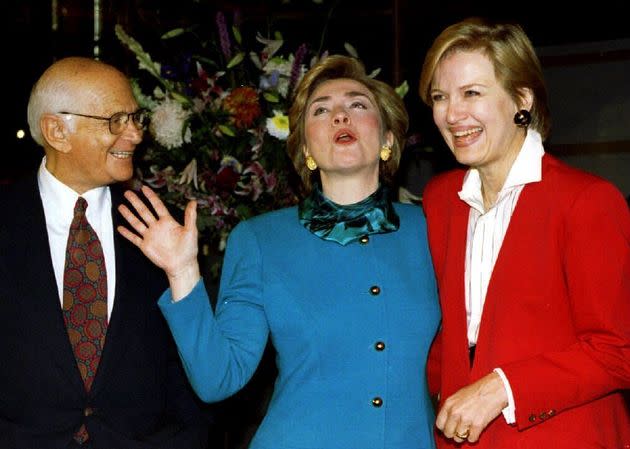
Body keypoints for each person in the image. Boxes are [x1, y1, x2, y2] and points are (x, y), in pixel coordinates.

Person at [117, 54, 441, 449]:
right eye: (321, 111)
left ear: (388, 139)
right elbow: (218, 378)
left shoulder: (435, 229)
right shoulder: (259, 239)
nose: (341, 116)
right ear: (305, 148)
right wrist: (183, 272)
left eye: (358, 104)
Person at [418, 17, 630, 448]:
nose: (452, 114)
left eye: (471, 93)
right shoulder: (440, 199)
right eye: (440, 97)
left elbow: (618, 351)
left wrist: (501, 388)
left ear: (522, 99)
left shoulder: (587, 200)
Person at [0, 57, 210, 449]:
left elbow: (187, 372)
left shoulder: (157, 227)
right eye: (115, 120)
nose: (134, 135)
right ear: (57, 131)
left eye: (136, 118)